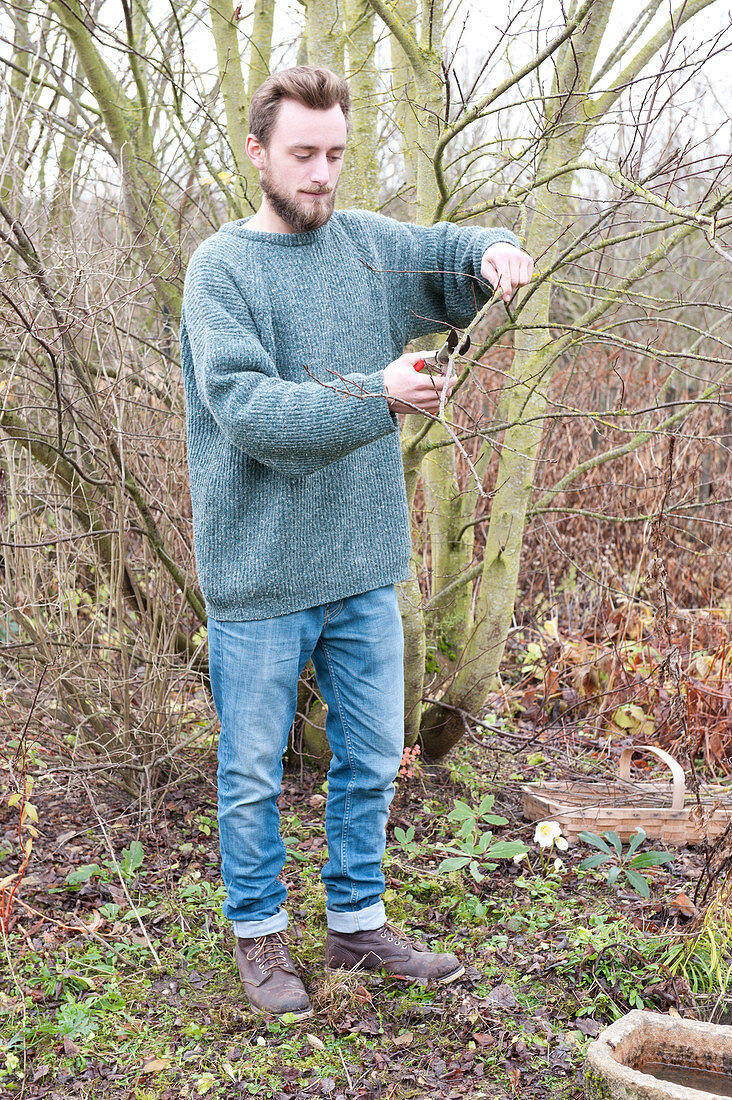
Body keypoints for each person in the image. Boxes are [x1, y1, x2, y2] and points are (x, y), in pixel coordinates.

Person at [180, 65, 534, 1021]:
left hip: (366, 564)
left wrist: (495, 252)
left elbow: (449, 253)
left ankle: (355, 921)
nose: (322, 174)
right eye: (303, 155)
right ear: (258, 153)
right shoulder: (221, 270)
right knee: (252, 769)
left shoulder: (367, 246)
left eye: (335, 154)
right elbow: (252, 414)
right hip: (257, 570)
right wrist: (375, 393)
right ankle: (258, 936)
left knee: (375, 756)